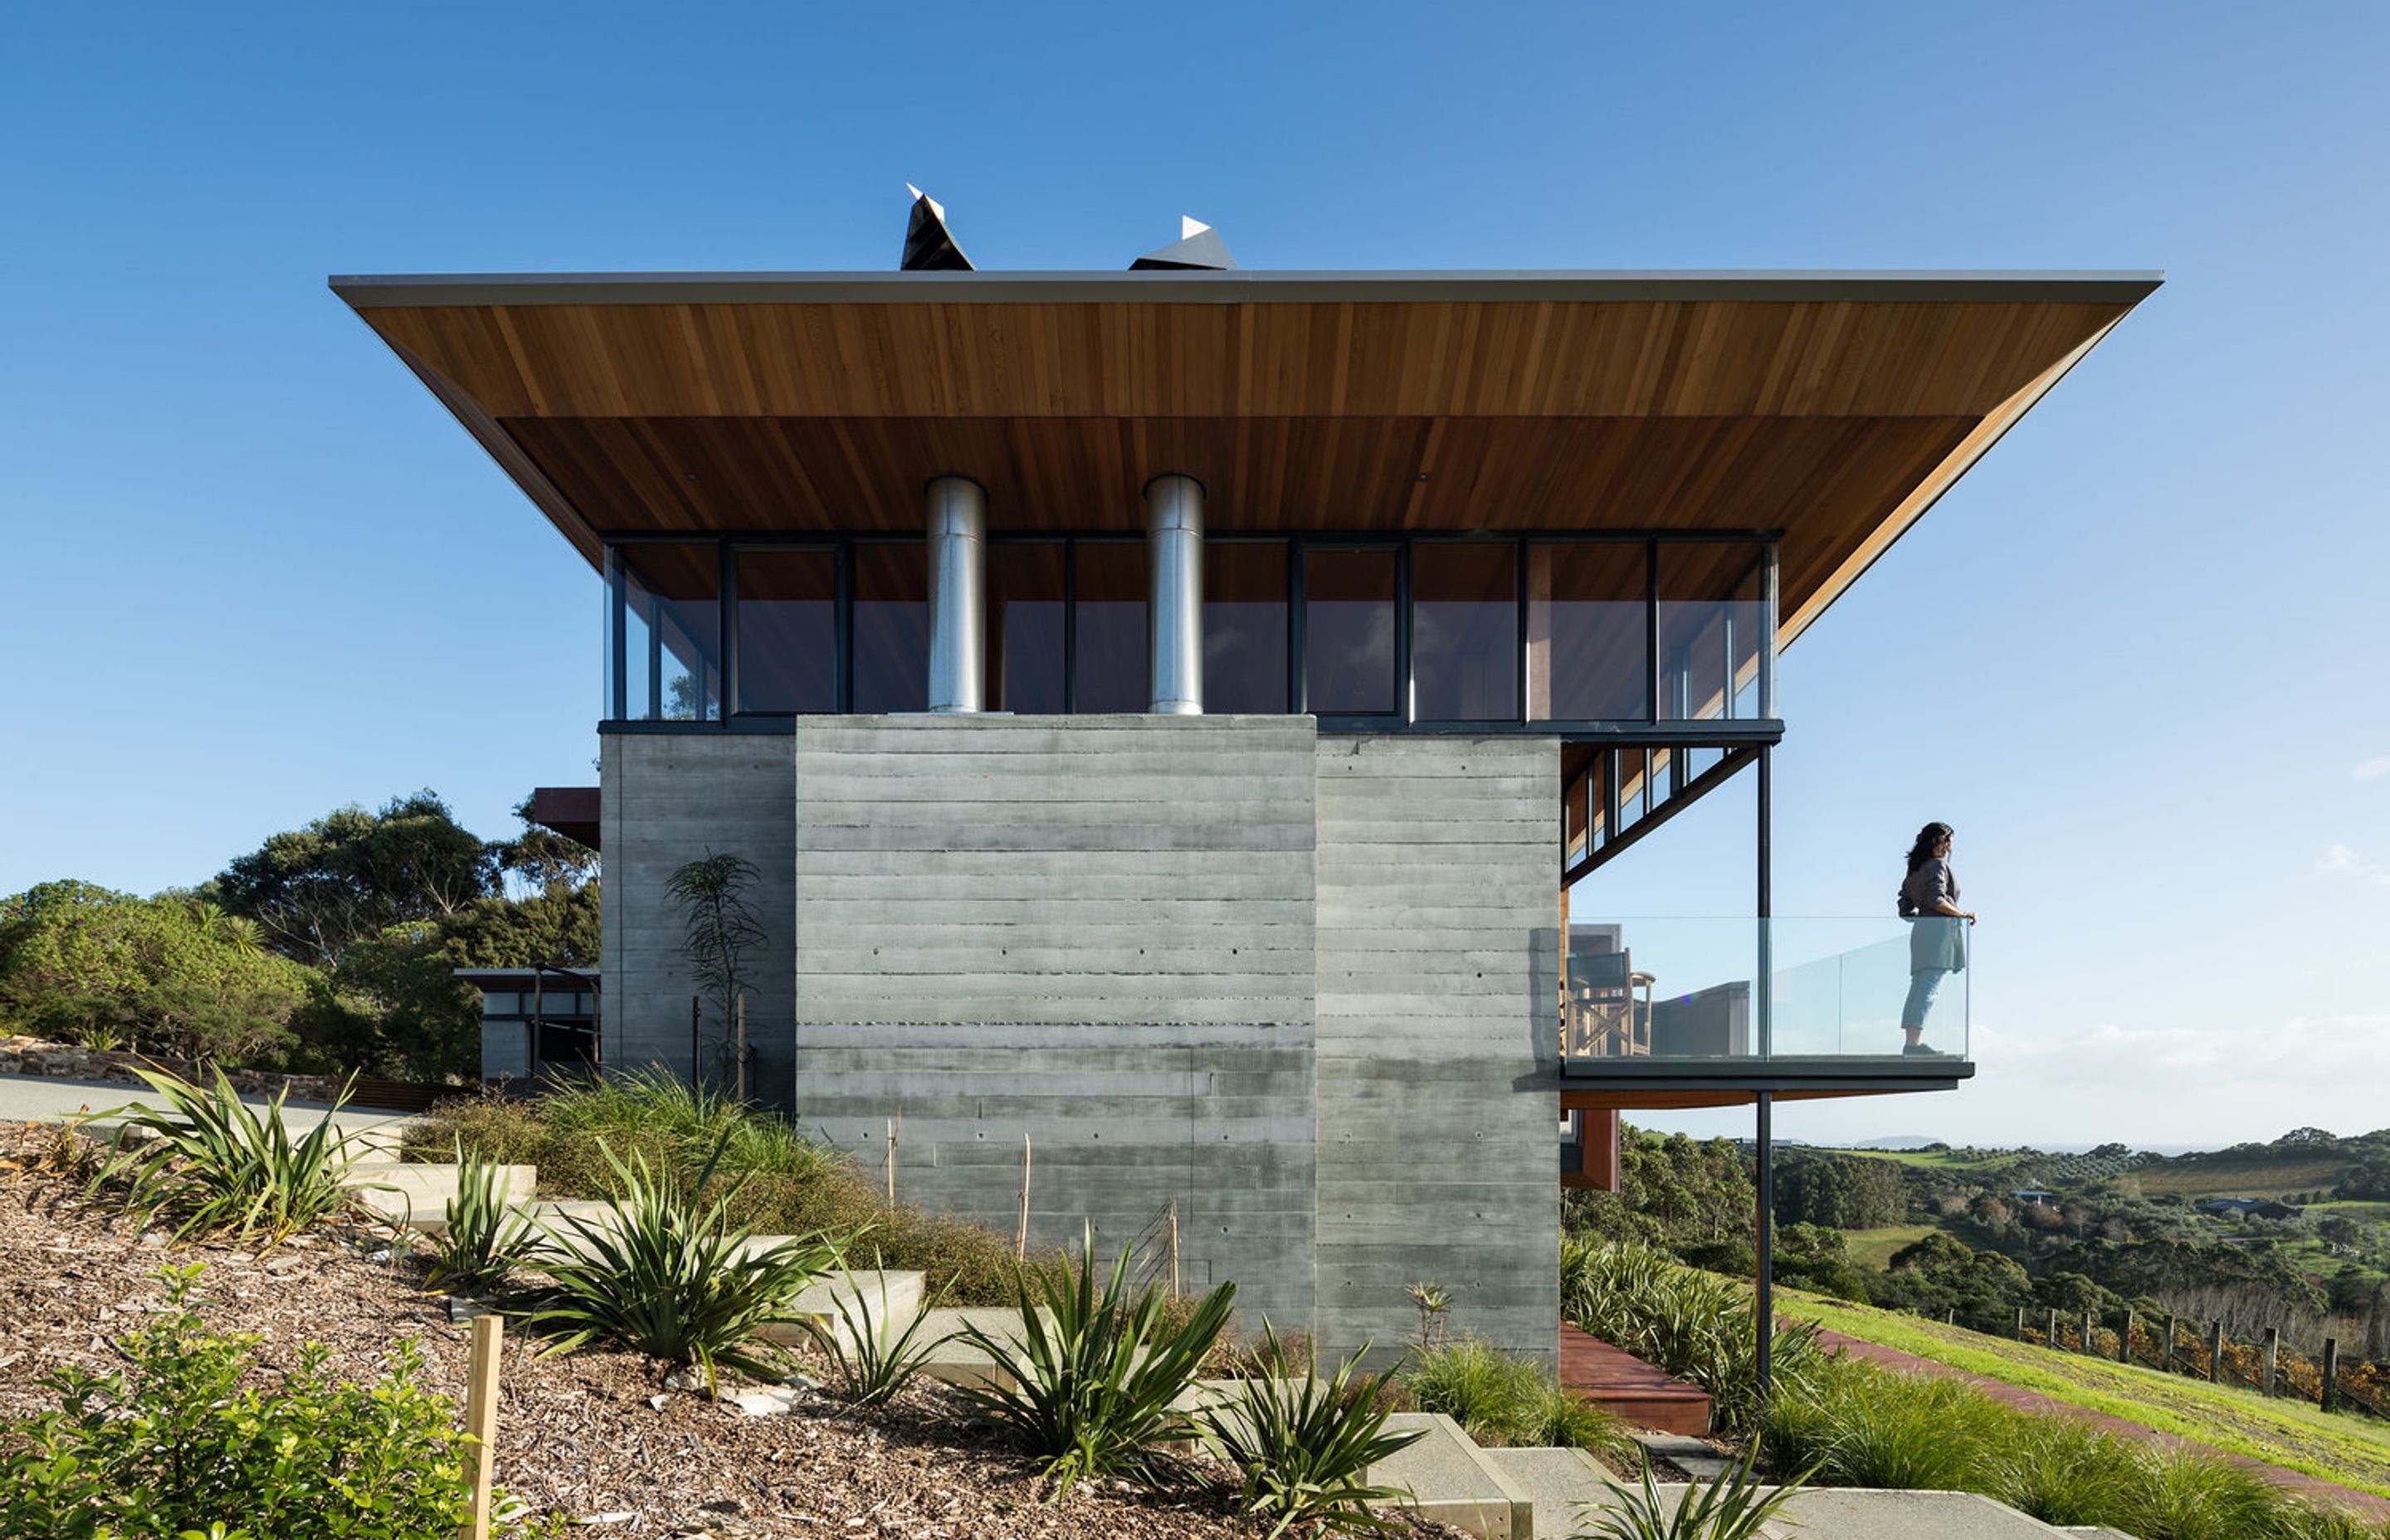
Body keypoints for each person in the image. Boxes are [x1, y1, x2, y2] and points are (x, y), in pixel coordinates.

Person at [1897, 821, 1975, 1054]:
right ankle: (1913, 1044)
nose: (1950, 847)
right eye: (1948, 841)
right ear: (1939, 842)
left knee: (1919, 988)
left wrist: (1921, 915)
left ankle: (1912, 1041)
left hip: (1922, 933)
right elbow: (1936, 899)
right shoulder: (1937, 865)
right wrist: (1962, 914)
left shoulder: (1914, 869)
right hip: (1938, 935)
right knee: (1928, 989)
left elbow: (1904, 907)